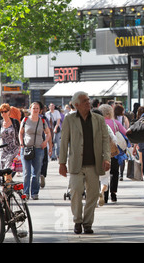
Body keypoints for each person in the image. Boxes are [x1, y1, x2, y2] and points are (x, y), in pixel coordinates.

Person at [59, 91, 110, 234]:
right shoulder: (69, 119)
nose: (88, 103)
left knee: (93, 194)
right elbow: (64, 142)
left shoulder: (98, 119)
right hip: (76, 163)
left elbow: (105, 139)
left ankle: (87, 223)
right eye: (85, 101)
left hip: (94, 163)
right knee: (75, 192)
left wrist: (107, 158)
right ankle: (77, 221)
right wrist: (62, 163)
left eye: (88, 100)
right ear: (76, 105)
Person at [19, 102, 52, 200]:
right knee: (26, 173)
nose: (35, 110)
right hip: (26, 148)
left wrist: (46, 142)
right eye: (34, 108)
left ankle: (34, 193)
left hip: (38, 149)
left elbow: (48, 133)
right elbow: (20, 133)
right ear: (30, 109)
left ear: (40, 110)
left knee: (36, 172)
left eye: (37, 108)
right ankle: (25, 193)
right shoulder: (25, 120)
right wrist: (21, 143)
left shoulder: (42, 121)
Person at [98, 103, 127, 203]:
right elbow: (125, 133)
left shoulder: (98, 123)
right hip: (113, 151)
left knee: (103, 173)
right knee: (114, 172)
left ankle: (104, 195)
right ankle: (113, 193)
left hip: (101, 152)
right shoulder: (115, 123)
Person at [0, 104, 21, 182]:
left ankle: (6, 187)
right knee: (2, 169)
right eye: (2, 112)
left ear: (9, 112)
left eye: (5, 111)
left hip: (14, 148)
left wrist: (21, 146)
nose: (3, 113)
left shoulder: (14, 122)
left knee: (7, 167)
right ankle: (7, 187)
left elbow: (20, 134)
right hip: (3, 149)